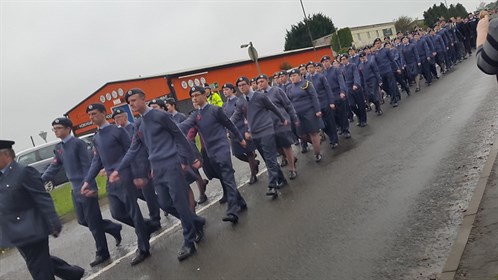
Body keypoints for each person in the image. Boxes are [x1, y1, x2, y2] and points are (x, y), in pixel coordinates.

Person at [110, 89, 206, 262]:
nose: (131, 104)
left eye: (134, 100)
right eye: (129, 102)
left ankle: (189, 241)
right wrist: (119, 169)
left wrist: (191, 158)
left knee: (180, 203)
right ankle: (196, 222)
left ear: (143, 99)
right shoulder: (138, 123)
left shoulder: (160, 116)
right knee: (165, 203)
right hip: (157, 169)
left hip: (171, 165)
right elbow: (134, 149)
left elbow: (179, 136)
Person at [42, 117, 122, 267]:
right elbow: (54, 166)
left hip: (85, 187)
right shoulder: (59, 148)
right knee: (83, 220)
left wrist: (90, 186)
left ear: (68, 129)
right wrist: (40, 181)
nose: (56, 131)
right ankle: (113, 227)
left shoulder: (77, 144)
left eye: (59, 128)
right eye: (54, 129)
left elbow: (88, 165)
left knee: (93, 222)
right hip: (74, 189)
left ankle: (102, 252)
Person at [0, 140, 85, 280]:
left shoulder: (23, 172)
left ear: (6, 155)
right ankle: (72, 273)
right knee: (40, 261)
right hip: (14, 231)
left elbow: (42, 198)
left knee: (38, 268)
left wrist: (53, 222)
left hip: (32, 228)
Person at [82, 103, 151, 266]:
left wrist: (137, 174)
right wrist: (87, 180)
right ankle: (146, 227)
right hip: (111, 181)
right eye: (89, 115)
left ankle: (143, 248)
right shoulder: (96, 137)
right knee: (116, 213)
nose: (92, 117)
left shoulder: (117, 131)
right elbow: (97, 160)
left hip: (125, 176)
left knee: (134, 212)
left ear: (104, 113)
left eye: (94, 114)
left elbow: (132, 152)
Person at [179, 86, 248, 224]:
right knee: (225, 177)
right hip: (210, 152)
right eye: (192, 96)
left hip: (221, 147)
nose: (195, 98)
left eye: (197, 95)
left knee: (227, 176)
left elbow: (229, 125)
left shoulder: (215, 110)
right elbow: (184, 126)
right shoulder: (195, 115)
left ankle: (232, 210)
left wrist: (240, 138)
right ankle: (241, 201)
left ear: (205, 95)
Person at [232, 76, 288, 198]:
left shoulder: (260, 97)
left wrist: (283, 119)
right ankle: (281, 178)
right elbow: (236, 116)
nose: (241, 87)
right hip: (255, 134)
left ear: (249, 84)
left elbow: (273, 108)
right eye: (239, 85)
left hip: (267, 130)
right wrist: (226, 125)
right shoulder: (241, 101)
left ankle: (272, 185)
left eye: (243, 84)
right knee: (267, 159)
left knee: (270, 157)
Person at [111, 109, 161, 231]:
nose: (117, 120)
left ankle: (155, 218)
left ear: (125, 116)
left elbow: (141, 148)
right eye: (115, 119)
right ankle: (162, 202)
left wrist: (146, 166)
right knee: (139, 195)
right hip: (128, 171)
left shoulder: (134, 127)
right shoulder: (117, 132)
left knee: (148, 194)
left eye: (119, 117)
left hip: (141, 166)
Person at [256, 74, 299, 179]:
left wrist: (294, 118)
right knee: (277, 148)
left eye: (262, 81)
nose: (259, 84)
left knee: (286, 146)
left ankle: (292, 168)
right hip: (268, 126)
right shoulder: (258, 96)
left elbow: (287, 104)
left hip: (281, 123)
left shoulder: (276, 91)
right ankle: (292, 158)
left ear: (267, 81)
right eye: (258, 83)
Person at [221, 82, 260, 184]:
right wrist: (226, 131)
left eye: (227, 89)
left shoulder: (239, 101)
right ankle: (254, 163)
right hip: (233, 132)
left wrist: (248, 130)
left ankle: (253, 174)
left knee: (249, 152)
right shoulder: (224, 105)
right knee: (237, 154)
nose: (225, 92)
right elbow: (225, 120)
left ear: (232, 90)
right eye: (223, 90)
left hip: (242, 129)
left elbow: (246, 116)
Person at [287, 69, 324, 162]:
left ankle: (317, 153)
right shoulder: (289, 88)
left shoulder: (306, 84)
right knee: (301, 134)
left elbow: (314, 96)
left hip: (309, 111)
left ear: (299, 75)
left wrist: (317, 110)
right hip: (297, 114)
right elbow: (288, 102)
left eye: (294, 75)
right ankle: (317, 143)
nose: (292, 78)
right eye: (291, 76)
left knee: (313, 132)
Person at [307, 59, 339, 149]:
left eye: (311, 67)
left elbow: (328, 89)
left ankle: (334, 140)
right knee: (323, 125)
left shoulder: (321, 77)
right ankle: (331, 137)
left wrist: (331, 102)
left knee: (330, 122)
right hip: (316, 106)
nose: (309, 69)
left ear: (315, 68)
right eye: (308, 68)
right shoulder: (307, 79)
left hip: (325, 102)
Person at [340, 55, 367, 127]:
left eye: (344, 59)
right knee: (351, 105)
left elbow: (356, 75)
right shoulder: (342, 69)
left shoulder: (353, 65)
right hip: (348, 88)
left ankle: (363, 120)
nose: (343, 61)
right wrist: (343, 90)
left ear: (347, 59)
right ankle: (359, 116)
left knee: (361, 104)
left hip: (356, 87)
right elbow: (343, 80)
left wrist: (356, 84)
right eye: (342, 60)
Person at [358, 51, 383, 116]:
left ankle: (379, 109)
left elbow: (376, 71)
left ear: (365, 56)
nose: (362, 59)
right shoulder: (360, 66)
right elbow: (360, 76)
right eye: (361, 58)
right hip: (366, 82)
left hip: (373, 80)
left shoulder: (371, 62)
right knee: (369, 96)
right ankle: (376, 105)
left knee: (374, 94)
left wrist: (379, 81)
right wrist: (361, 84)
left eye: (363, 57)